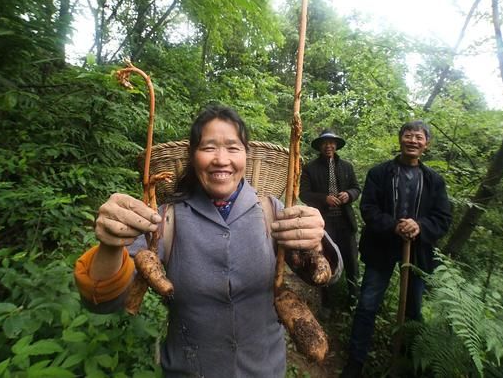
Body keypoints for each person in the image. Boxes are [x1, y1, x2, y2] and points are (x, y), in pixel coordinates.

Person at [74, 104, 342, 377]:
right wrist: (110, 246)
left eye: (233, 147)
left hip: (265, 370)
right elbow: (102, 303)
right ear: (192, 156)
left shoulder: (272, 210)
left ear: (246, 155)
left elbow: (326, 275)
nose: (221, 159)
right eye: (209, 147)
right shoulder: (166, 219)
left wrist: (316, 242)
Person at [341, 121, 452, 377]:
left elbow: (443, 218)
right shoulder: (380, 173)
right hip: (381, 250)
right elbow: (368, 208)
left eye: (419, 137)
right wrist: (394, 226)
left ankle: (408, 362)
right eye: (408, 135)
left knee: (414, 311)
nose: (413, 140)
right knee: (368, 305)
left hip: (417, 255)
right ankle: (355, 362)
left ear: (427, 144)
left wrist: (419, 226)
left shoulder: (434, 181)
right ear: (400, 139)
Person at [300, 129, 361, 315]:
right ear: (320, 146)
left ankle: (353, 300)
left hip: (345, 221)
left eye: (332, 142)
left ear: (336, 145)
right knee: (327, 261)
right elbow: (303, 194)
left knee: (351, 261)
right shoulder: (311, 168)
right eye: (325, 143)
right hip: (324, 223)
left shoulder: (346, 167)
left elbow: (356, 188)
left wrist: (349, 195)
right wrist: (323, 199)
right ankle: (327, 303)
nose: (329, 146)